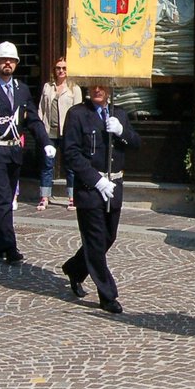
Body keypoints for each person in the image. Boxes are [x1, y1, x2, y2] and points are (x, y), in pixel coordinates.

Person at [0, 41, 54, 264]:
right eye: (4, 59)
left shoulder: (22, 89)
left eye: (12, 60)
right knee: (1, 200)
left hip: (14, 150)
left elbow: (33, 118)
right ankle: (10, 246)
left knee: (3, 199)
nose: (8, 63)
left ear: (16, 64)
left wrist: (44, 141)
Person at [61, 83, 140, 315]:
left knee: (108, 236)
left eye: (103, 85)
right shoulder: (77, 114)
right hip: (90, 188)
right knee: (95, 241)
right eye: (93, 84)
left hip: (114, 186)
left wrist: (121, 132)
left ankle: (75, 268)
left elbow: (136, 143)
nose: (98, 89)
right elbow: (71, 153)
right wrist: (95, 179)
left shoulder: (119, 114)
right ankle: (108, 295)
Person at [37, 58, 82, 210]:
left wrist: (76, 132)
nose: (61, 71)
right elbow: (41, 109)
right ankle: (44, 196)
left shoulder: (74, 88)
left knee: (70, 165)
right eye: (58, 68)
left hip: (67, 132)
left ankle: (72, 196)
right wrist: (41, 128)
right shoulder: (47, 87)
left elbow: (78, 112)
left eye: (64, 68)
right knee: (47, 164)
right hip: (50, 131)